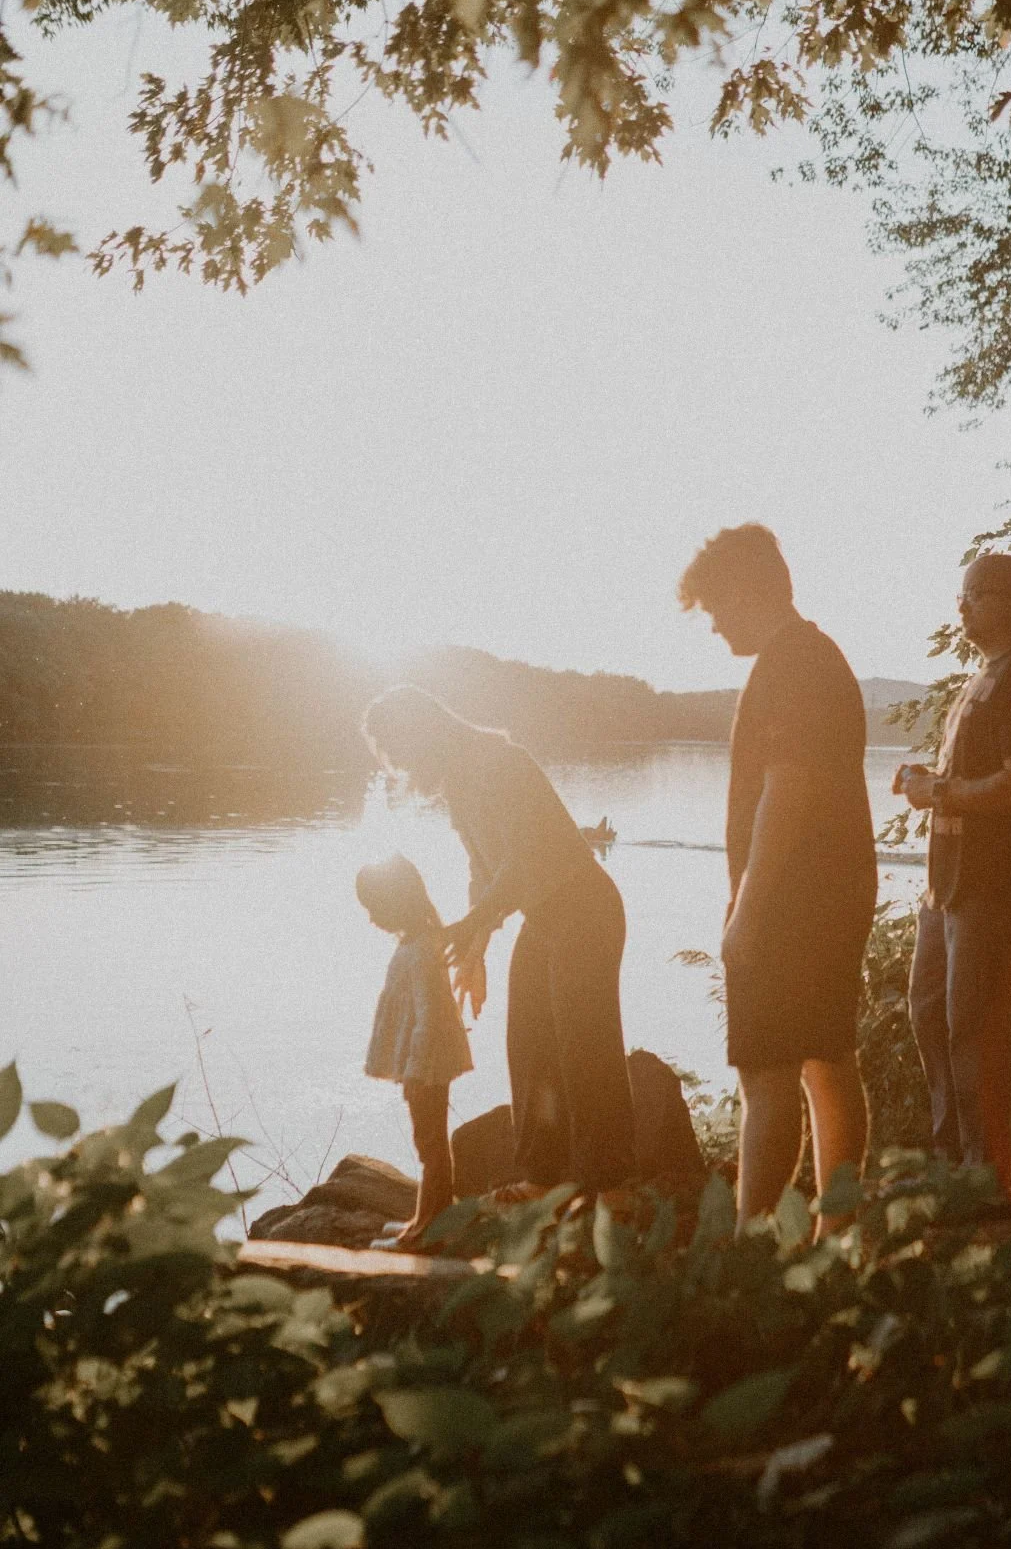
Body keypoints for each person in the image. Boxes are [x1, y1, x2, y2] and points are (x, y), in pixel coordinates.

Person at [678, 525, 877, 1229]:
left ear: (745, 590)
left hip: (793, 901)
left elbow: (787, 790)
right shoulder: (811, 656)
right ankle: (838, 1232)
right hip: (832, 890)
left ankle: (750, 1246)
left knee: (766, 1075)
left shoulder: (794, 664)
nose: (712, 626)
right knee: (827, 1059)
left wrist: (747, 911)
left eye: (713, 608)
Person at [362, 686, 636, 1194]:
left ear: (421, 732)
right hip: (546, 916)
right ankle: (543, 1179)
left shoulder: (498, 762)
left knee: (585, 1047)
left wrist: (472, 925)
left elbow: (520, 859)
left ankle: (609, 1186)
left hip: (585, 909)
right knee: (529, 1044)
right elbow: (482, 870)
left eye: (398, 749)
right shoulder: (460, 783)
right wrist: (475, 950)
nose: (398, 763)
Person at [894, 551, 1011, 1175]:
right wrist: (930, 779)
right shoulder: (985, 675)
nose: (963, 604)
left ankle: (986, 1166)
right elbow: (974, 776)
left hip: (995, 884)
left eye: (978, 593)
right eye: (962, 593)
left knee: (972, 1025)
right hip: (948, 884)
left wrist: (941, 791)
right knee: (926, 1011)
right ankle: (951, 1151)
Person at [356, 853, 474, 1247]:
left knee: (430, 1143)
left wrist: (415, 1069)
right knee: (431, 1141)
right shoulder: (418, 941)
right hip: (425, 1061)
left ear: (397, 901)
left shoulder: (422, 949)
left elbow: (429, 1014)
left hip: (427, 1063)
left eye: (375, 908)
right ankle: (430, 1217)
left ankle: (428, 1227)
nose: (372, 918)